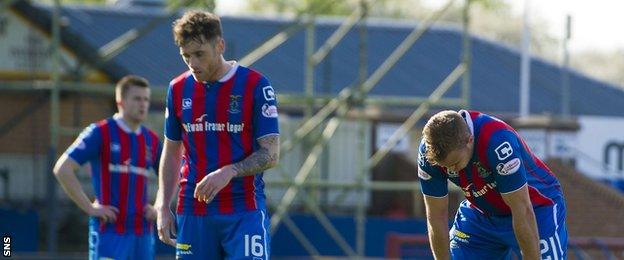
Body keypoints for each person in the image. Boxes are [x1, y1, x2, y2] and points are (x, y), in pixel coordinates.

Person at [154, 11, 280, 260]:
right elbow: (171, 151)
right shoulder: (178, 88)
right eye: (186, 56)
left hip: (243, 209)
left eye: (199, 54)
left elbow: (271, 154)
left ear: (220, 45)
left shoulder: (255, 85)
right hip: (193, 209)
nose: (193, 63)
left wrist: (230, 170)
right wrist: (162, 204)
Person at [418, 110, 567, 260]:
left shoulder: (498, 140)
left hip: (534, 208)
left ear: (470, 140)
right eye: (445, 166)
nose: (451, 170)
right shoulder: (428, 153)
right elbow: (436, 216)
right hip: (481, 212)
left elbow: (522, 209)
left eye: (455, 163)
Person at [53, 75, 161, 259]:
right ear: (120, 101)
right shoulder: (100, 132)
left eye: (146, 99)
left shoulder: (151, 139)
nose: (143, 104)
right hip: (109, 231)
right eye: (137, 98)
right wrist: (90, 208)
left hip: (142, 231)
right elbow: (62, 169)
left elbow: (171, 175)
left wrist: (159, 205)